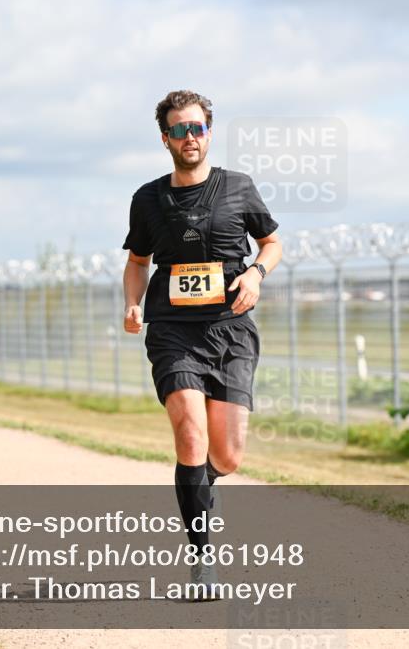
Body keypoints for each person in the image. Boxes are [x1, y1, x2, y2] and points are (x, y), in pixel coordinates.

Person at [120, 90, 282, 601]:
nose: (190, 137)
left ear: (209, 132)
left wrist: (256, 273)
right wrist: (133, 303)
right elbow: (137, 262)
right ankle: (202, 559)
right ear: (164, 137)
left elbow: (273, 243)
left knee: (228, 456)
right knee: (190, 435)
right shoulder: (148, 199)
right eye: (179, 129)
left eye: (198, 128)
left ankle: (200, 486)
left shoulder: (238, 188)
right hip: (172, 331)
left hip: (231, 330)